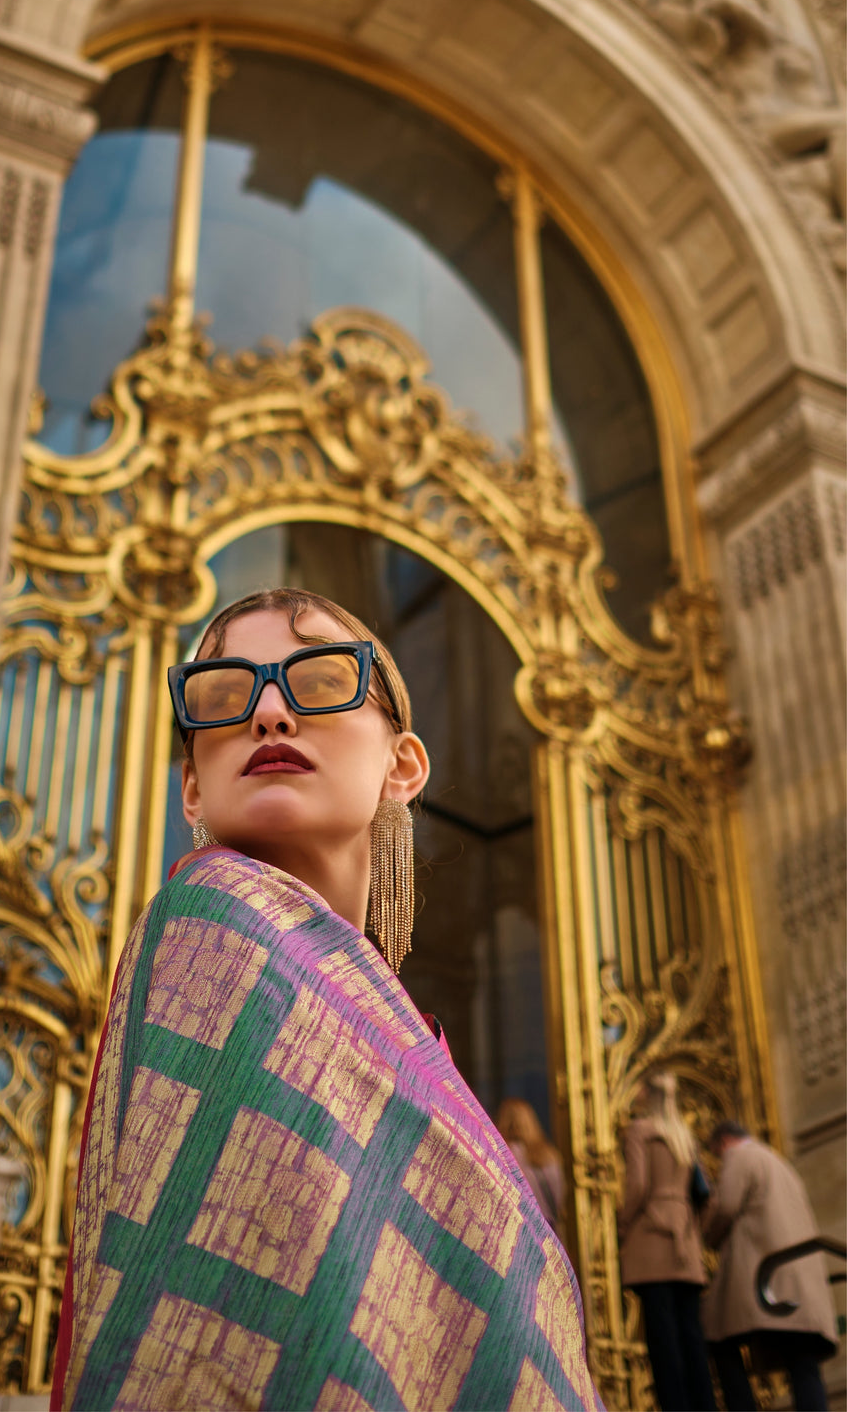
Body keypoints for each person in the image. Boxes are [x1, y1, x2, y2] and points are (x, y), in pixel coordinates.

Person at [51, 588, 602, 1411]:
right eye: (225, 695)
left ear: (402, 764)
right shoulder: (214, 924)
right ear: (191, 790)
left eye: (317, 679)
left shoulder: (418, 1043)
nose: (269, 711)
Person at [702, 1120, 838, 1411]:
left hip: (764, 1274)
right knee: (803, 1362)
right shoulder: (779, 1161)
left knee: (717, 1336)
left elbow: (726, 1206)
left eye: (716, 1153)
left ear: (723, 1142)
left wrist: (706, 1237)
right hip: (798, 1278)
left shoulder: (739, 1156)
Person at [616, 1072, 717, 1411]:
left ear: (647, 1092)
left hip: (652, 1235)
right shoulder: (684, 1136)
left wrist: (622, 1222)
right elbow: (704, 1195)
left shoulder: (640, 1131)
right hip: (685, 1241)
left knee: (662, 1338)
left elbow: (638, 1185)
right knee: (691, 1333)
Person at [496, 1097, 566, 1238]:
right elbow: (559, 1197)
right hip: (548, 1228)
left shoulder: (501, 1154)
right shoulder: (549, 1155)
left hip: (518, 1231)